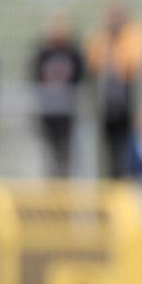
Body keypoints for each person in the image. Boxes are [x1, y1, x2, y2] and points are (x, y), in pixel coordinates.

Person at [86, 1, 142, 178]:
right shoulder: (102, 38)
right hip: (105, 105)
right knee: (107, 149)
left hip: (125, 104)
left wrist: (114, 54)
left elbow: (131, 65)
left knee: (125, 148)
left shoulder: (132, 37)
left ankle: (124, 179)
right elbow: (93, 63)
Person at [31, 12, 85, 178]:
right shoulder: (43, 52)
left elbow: (81, 76)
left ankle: (63, 187)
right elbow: (34, 76)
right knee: (47, 156)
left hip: (67, 114)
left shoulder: (73, 53)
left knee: (65, 156)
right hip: (48, 113)